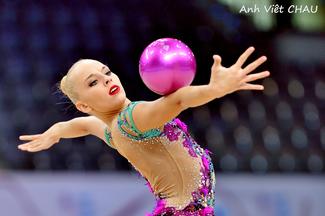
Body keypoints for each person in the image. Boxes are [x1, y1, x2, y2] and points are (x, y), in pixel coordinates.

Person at [18, 47, 270, 216]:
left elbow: (82, 125)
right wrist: (216, 89)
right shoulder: (131, 119)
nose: (106, 79)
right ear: (83, 105)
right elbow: (178, 100)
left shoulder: (111, 130)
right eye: (93, 82)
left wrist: (57, 130)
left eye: (106, 72)